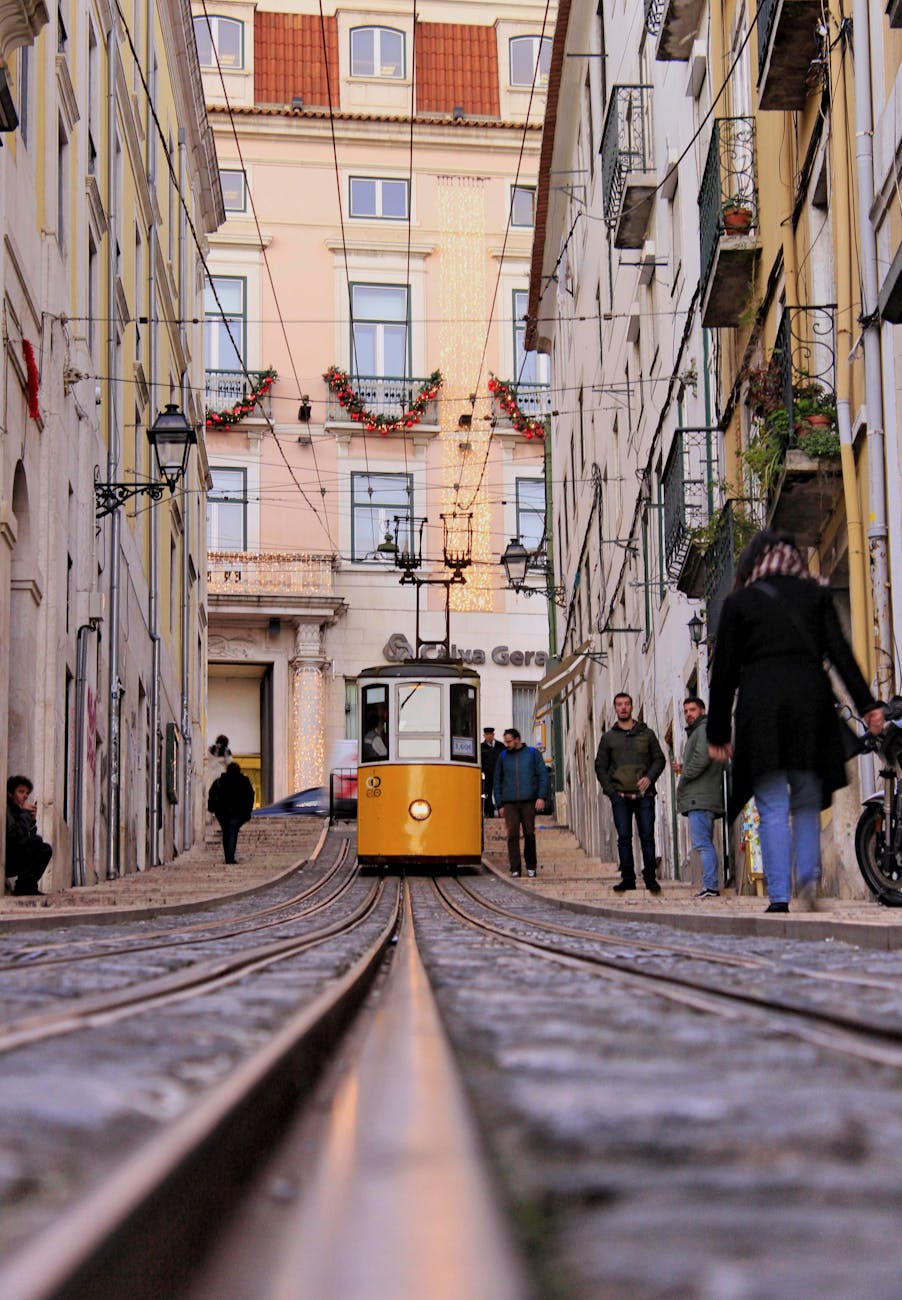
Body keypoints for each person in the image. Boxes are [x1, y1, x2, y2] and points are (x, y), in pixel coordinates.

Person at [707, 529, 884, 913]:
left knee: (770, 805)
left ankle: (779, 898)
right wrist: (868, 705)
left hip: (760, 710)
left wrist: (717, 730)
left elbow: (723, 673)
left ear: (754, 561)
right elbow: (840, 654)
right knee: (805, 799)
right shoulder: (815, 595)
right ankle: (807, 876)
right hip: (810, 706)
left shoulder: (740, 603)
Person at [594, 693, 666, 893]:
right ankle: (628, 879)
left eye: (626, 704)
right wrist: (611, 793)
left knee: (647, 837)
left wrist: (650, 777)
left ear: (632, 707)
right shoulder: (608, 738)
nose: (623, 708)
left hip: (645, 796)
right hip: (620, 797)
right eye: (619, 705)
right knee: (624, 838)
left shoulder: (647, 734)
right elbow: (600, 766)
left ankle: (650, 878)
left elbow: (659, 759)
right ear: (615, 709)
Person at [675, 697, 725, 899]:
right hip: (703, 796)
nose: (688, 714)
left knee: (702, 843)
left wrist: (685, 772)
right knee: (704, 842)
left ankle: (711, 886)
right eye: (685, 710)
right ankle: (710, 885)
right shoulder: (699, 731)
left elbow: (702, 758)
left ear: (702, 711)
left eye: (692, 710)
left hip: (700, 798)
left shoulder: (703, 730)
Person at [493, 728, 550, 877]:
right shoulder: (503, 756)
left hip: (529, 801)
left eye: (509, 741)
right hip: (509, 803)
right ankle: (515, 868)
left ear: (518, 739)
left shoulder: (532, 754)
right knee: (512, 835)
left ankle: (531, 866)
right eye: (505, 741)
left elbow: (543, 775)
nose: (507, 744)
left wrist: (541, 796)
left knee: (529, 834)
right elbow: (497, 780)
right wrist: (499, 804)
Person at [6, 775, 53, 896]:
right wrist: (25, 814)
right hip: (7, 858)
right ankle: (22, 887)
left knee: (46, 848)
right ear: (10, 794)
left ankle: (27, 886)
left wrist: (31, 821)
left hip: (16, 856)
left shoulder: (19, 812)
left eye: (27, 793)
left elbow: (27, 838)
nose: (25, 796)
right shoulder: (6, 810)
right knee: (36, 840)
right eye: (21, 792)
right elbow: (14, 836)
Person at [207, 761, 255, 864]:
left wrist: (212, 808)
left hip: (222, 813)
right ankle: (230, 857)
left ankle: (228, 856)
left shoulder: (220, 781)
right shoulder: (244, 781)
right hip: (238, 813)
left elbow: (212, 794)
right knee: (232, 832)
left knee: (226, 832)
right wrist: (248, 811)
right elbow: (250, 796)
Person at [480, 727, 504, 817]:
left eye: (490, 734)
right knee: (487, 794)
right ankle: (489, 814)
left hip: (499, 774)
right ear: (484, 735)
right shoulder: (481, 747)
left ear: (493, 735)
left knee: (500, 793)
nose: (489, 736)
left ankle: (502, 813)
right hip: (487, 775)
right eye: (487, 735)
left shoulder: (500, 746)